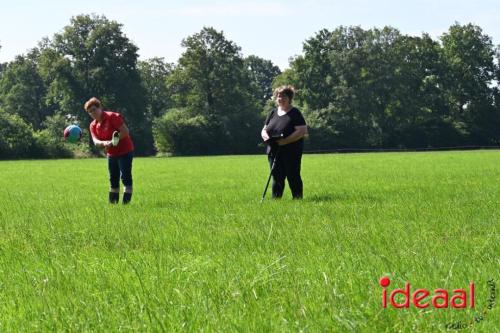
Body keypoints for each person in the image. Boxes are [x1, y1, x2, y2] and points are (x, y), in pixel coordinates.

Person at [84, 97, 135, 204]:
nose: (93, 113)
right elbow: (95, 141)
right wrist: (104, 143)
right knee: (113, 181)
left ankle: (126, 206)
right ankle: (113, 208)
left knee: (126, 178)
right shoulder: (93, 125)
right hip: (112, 154)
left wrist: (111, 142)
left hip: (125, 151)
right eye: (90, 112)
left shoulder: (112, 117)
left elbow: (125, 132)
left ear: (100, 108)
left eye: (94, 109)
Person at [261, 85, 307, 199]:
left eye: (283, 96)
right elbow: (264, 129)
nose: (280, 98)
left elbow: (302, 130)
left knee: (293, 176)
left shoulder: (294, 113)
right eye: (278, 96)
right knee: (276, 176)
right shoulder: (273, 112)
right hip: (274, 149)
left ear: (289, 98)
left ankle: (297, 199)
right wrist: (266, 137)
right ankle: (276, 201)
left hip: (291, 151)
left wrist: (286, 141)